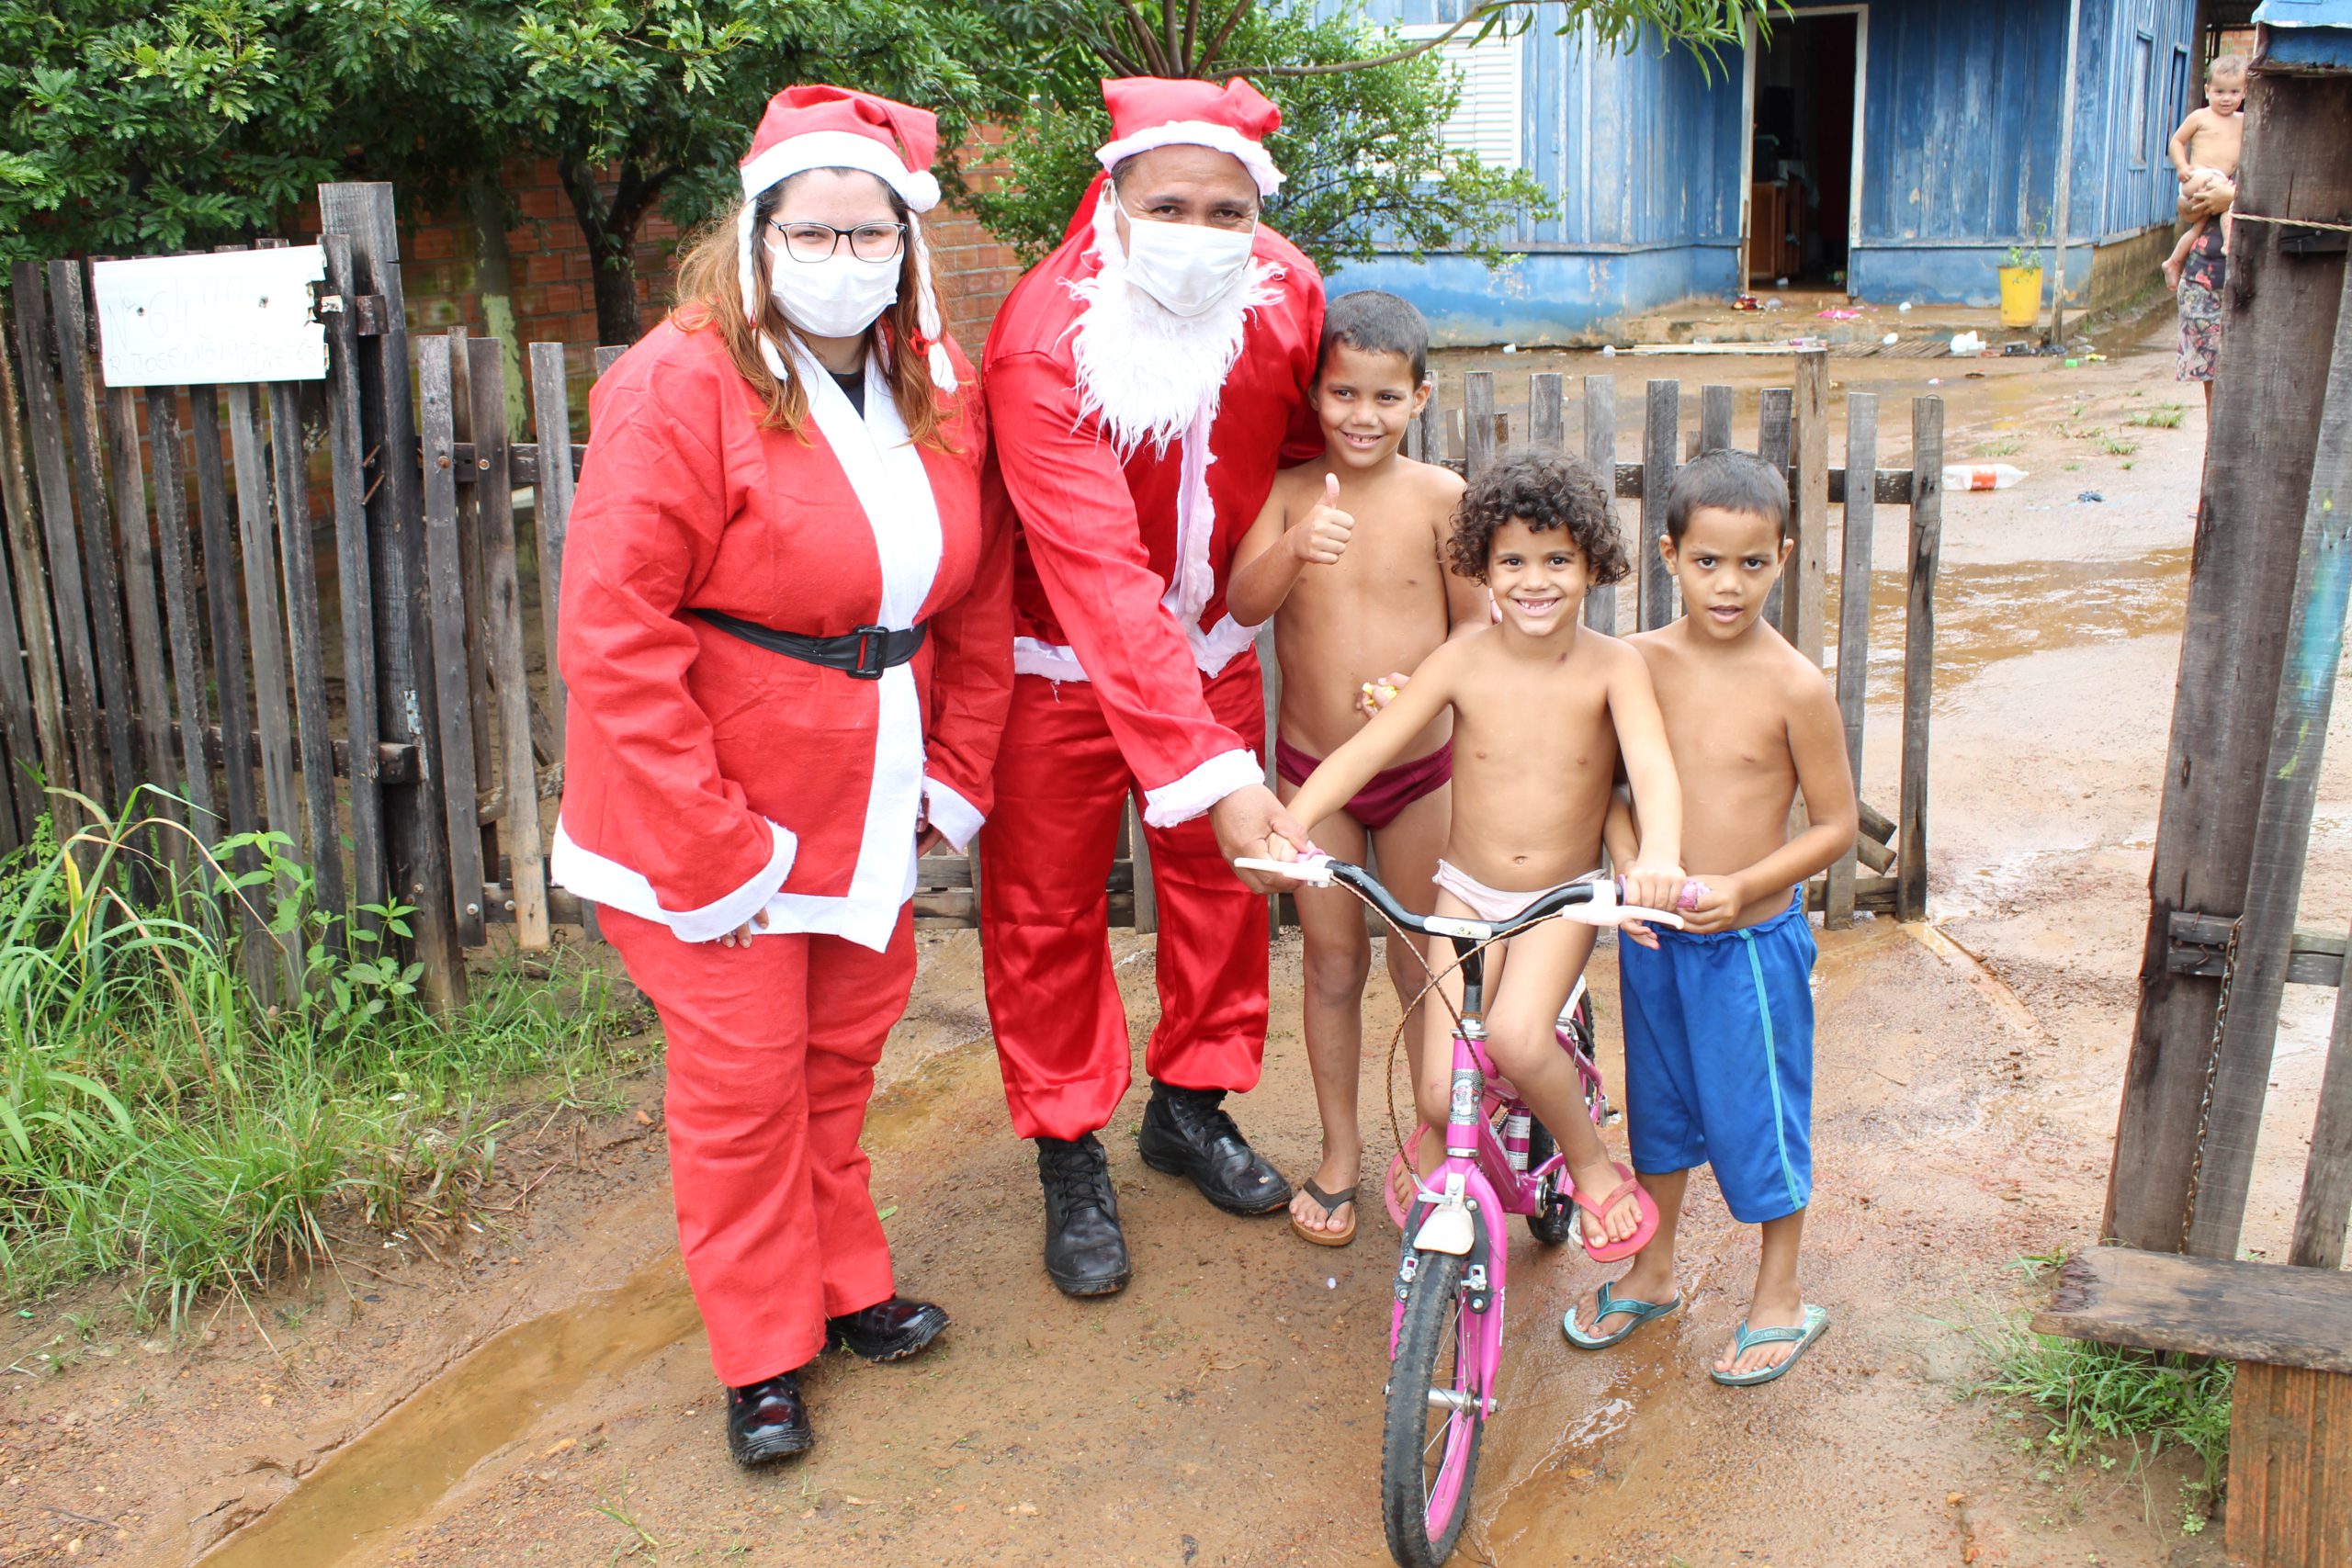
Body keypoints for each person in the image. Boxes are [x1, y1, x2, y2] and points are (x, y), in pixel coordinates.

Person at [550, 85, 1012, 1466]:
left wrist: (959, 771)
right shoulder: (677, 384)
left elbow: (975, 596)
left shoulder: (934, 379)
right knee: (744, 1085)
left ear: (907, 244)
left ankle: (846, 1278)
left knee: (836, 1058)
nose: (843, 254)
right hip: (715, 811)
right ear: (756, 236)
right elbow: (613, 633)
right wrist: (712, 845)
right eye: (812, 231)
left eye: (868, 232)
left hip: (867, 792)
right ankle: (762, 1351)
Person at [977, 76, 1324, 1298]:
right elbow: (1095, 577)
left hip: (1217, 648)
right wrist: (1217, 769)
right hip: (1058, 660)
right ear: (1111, 196)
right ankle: (1068, 1147)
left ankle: (1190, 1102)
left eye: (1227, 209)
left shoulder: (1284, 297)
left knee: (1224, 891)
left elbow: (1303, 465)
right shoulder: (1039, 336)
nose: (1201, 230)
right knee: (1045, 908)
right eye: (1168, 202)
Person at [1260, 449, 1686, 1258]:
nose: (1536, 580)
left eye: (1558, 558)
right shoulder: (1462, 659)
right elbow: (1369, 747)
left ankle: (1592, 1167)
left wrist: (1658, 852)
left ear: (1593, 562)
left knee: (1520, 1041)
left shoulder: (1614, 667)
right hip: (1461, 893)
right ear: (1482, 569)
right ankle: (1468, 1154)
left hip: (1557, 900)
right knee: (1431, 1090)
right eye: (1513, 561)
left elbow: (1654, 770)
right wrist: (1294, 820)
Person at [1561, 450, 1856, 1388]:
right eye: (1707, 562)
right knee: (1663, 1111)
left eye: (1752, 564)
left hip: (1748, 946)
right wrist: (1624, 855)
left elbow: (1837, 826)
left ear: (1784, 556)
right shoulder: (1634, 662)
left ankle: (1778, 1293)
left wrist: (1744, 886)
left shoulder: (1795, 686)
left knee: (1758, 1115)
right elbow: (1607, 788)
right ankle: (1654, 1270)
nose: (1728, 586)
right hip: (1653, 940)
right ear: (1668, 554)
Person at [1226, 290, 1485, 1247]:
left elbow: (1478, 632)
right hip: (1311, 777)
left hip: (1423, 774)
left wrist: (1419, 689)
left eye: (1384, 397)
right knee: (1333, 964)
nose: (1361, 417)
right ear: (1315, 393)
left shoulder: (1441, 498)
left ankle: (1427, 1139)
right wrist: (1295, 549)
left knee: (1424, 964)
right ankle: (1339, 1153)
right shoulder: (1293, 490)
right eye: (1342, 394)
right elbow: (1244, 604)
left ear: (1419, 397)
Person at [2160, 55, 2245, 292]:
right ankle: (2229, 244)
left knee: (2200, 227)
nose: (2226, 98)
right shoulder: (2201, 116)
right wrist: (2182, 166)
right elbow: (2177, 141)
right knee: (2228, 200)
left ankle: (2174, 261)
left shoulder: (2245, 121)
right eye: (2219, 91)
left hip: (2220, 182)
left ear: (2244, 92)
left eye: (2234, 91)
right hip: (2199, 177)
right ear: (2207, 90)